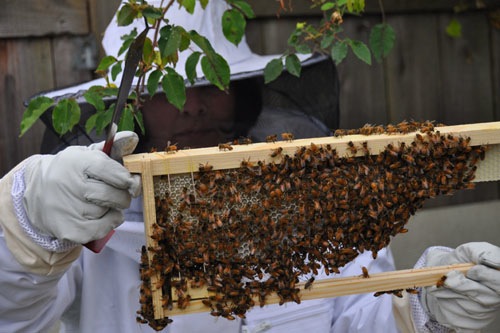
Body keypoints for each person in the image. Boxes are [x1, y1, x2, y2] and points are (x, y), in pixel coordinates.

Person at [1, 1, 499, 332]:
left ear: (241, 92)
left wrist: (421, 308)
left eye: (209, 84)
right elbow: (13, 315)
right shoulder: (84, 225)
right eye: (166, 90)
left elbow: (357, 318)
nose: (191, 106)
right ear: (131, 106)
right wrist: (26, 223)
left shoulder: (317, 198)